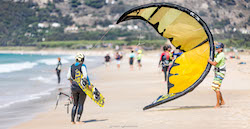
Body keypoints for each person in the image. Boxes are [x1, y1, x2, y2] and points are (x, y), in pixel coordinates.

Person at [67, 53, 92, 124]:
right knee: (81, 104)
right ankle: (78, 120)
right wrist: (89, 84)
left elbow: (68, 77)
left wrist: (72, 82)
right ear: (82, 59)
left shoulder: (71, 66)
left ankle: (72, 121)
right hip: (82, 87)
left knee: (75, 104)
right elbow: (85, 76)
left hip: (74, 86)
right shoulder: (83, 66)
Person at [208, 42, 226, 108]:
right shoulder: (218, 54)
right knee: (215, 87)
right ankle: (222, 101)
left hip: (220, 73)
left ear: (221, 49)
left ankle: (218, 104)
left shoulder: (221, 55)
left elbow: (214, 63)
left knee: (216, 88)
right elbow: (213, 56)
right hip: (217, 73)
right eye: (216, 47)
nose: (217, 48)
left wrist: (208, 61)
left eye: (218, 47)